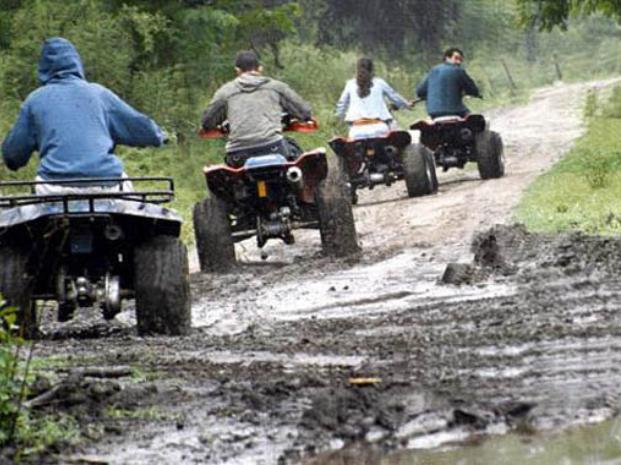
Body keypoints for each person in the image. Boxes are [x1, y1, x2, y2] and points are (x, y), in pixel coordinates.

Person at [2, 37, 166, 194]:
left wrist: (13, 162)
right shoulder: (100, 94)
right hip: (106, 184)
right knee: (127, 193)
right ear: (77, 63)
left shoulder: (35, 100)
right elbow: (138, 126)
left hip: (54, 188)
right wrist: (159, 135)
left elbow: (13, 154)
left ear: (43, 68)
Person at [202, 50, 312, 167]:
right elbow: (304, 112)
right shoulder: (276, 87)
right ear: (260, 69)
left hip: (238, 156)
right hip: (274, 147)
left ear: (237, 70)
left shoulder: (225, 92)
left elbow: (207, 123)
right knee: (296, 157)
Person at [336, 58, 412, 140]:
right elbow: (395, 97)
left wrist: (339, 117)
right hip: (379, 129)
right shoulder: (380, 83)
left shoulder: (350, 84)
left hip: (356, 131)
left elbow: (341, 104)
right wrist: (406, 104)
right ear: (372, 70)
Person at [416, 47, 481, 120]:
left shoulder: (433, 70)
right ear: (447, 58)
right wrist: (474, 94)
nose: (458, 62)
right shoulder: (459, 71)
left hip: (433, 113)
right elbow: (473, 90)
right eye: (456, 58)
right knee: (474, 121)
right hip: (456, 111)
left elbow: (420, 92)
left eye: (460, 60)